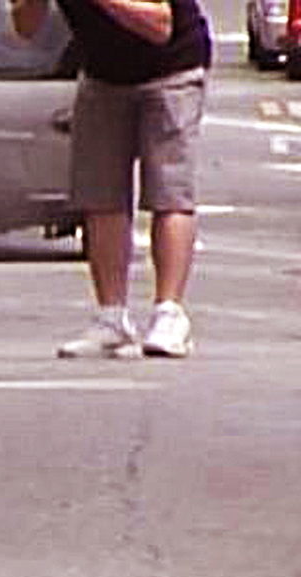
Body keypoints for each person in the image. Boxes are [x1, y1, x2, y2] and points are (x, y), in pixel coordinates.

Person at [11, 0, 212, 358]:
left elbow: (159, 25)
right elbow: (24, 29)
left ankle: (169, 313)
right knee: (100, 194)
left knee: (169, 190)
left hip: (170, 68)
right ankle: (111, 317)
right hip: (103, 74)